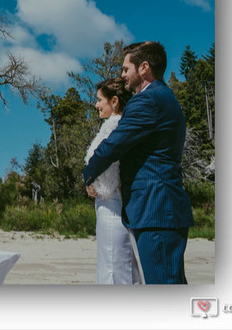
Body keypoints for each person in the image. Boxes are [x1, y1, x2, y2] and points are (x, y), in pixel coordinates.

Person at [83, 41, 194, 284]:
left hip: (156, 209)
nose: (122, 75)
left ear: (143, 68)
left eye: (125, 69)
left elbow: (114, 145)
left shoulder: (148, 100)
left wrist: (87, 174)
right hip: (158, 209)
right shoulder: (161, 96)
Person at [85, 77, 140, 284]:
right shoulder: (112, 125)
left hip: (112, 206)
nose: (96, 105)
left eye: (100, 100)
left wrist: (92, 183)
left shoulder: (115, 126)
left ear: (114, 101)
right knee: (115, 262)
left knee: (114, 265)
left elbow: (103, 161)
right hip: (108, 203)